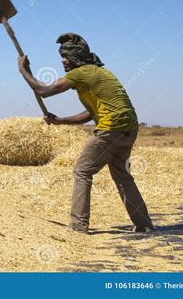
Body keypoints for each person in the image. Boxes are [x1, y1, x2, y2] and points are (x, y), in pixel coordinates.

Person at [17, 32, 154, 234]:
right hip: (128, 129)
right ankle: (143, 224)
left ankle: (78, 225)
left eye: (66, 56)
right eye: (61, 56)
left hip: (110, 129)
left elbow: (43, 91)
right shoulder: (99, 73)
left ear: (76, 58)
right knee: (122, 176)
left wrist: (24, 71)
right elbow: (89, 114)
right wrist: (60, 121)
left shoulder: (81, 73)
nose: (63, 61)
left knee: (82, 170)